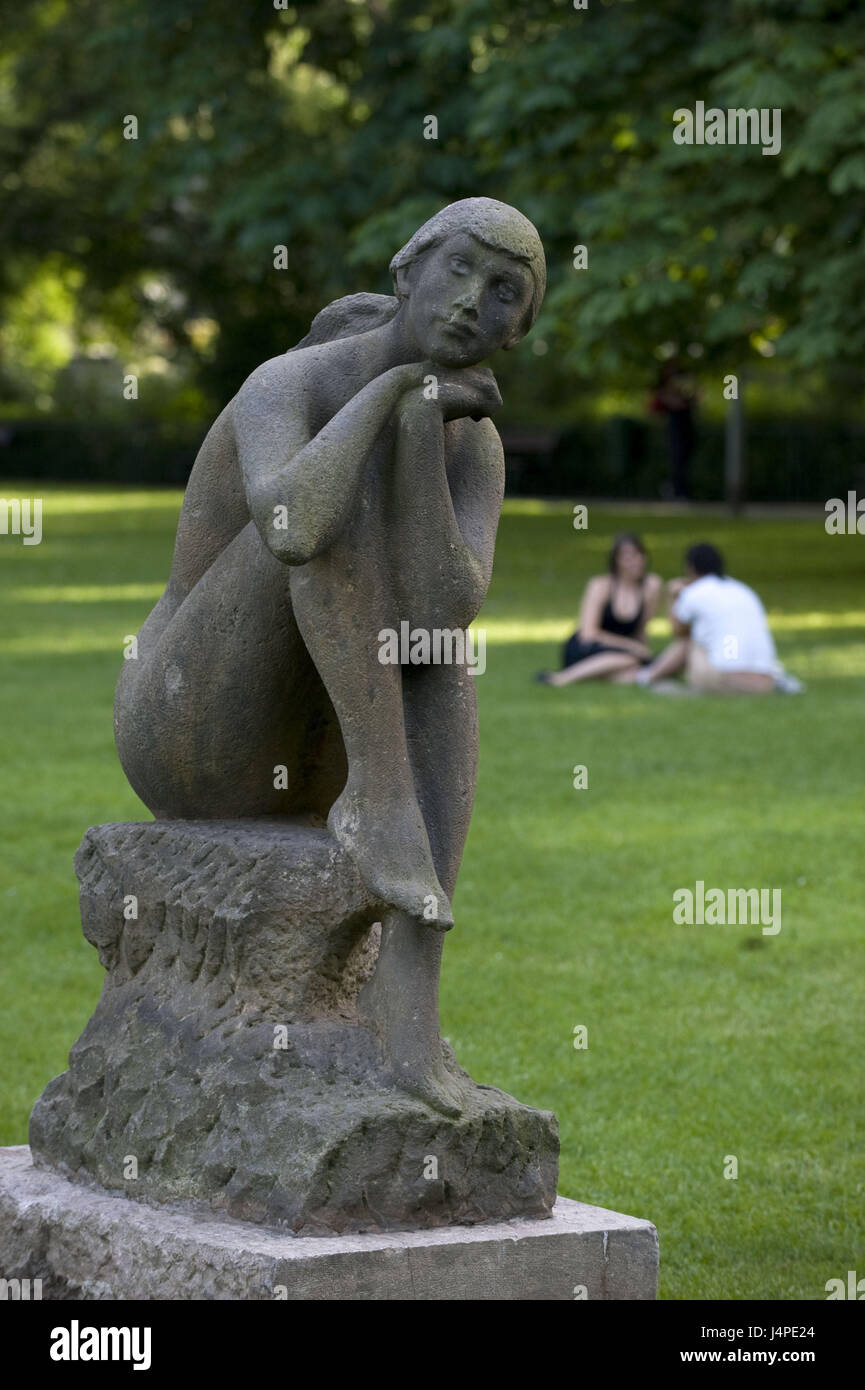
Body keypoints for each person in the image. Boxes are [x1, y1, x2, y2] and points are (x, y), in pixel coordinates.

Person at [113, 198, 547, 1114]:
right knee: (322, 502)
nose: (475, 301)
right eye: (461, 269)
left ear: (517, 331)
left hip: (309, 759)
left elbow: (445, 604)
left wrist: (422, 436)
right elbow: (294, 526)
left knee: (442, 649)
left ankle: (409, 1001)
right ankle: (383, 805)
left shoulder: (479, 447)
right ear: (407, 268)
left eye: (505, 292)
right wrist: (389, 396)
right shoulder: (286, 384)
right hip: (185, 731)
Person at [634, 542, 778, 693]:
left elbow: (678, 632)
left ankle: (647, 677)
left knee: (689, 640)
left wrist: (672, 596)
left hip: (727, 678)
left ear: (691, 567)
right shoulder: (743, 590)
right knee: (725, 641)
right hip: (765, 682)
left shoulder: (695, 592)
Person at [538, 533, 663, 685]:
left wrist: (643, 651)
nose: (635, 562)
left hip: (621, 652)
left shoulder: (651, 586)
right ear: (616, 561)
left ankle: (596, 676)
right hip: (588, 647)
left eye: (638, 555)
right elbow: (589, 634)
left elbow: (641, 629)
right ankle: (563, 678)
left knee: (639, 666)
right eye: (627, 557)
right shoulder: (600, 585)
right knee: (632, 660)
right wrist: (631, 647)